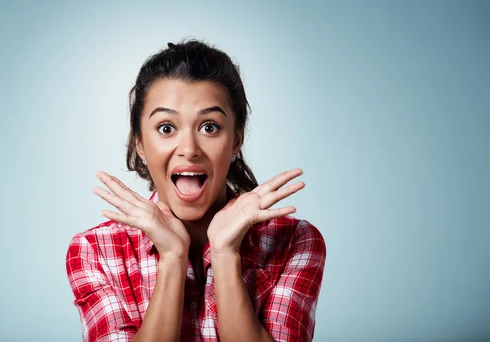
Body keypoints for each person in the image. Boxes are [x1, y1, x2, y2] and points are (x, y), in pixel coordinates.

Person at [65, 40, 326, 342]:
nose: (189, 150)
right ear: (139, 142)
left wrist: (225, 254)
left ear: (236, 141)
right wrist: (173, 258)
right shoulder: (94, 251)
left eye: (209, 127)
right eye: (166, 128)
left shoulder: (295, 241)